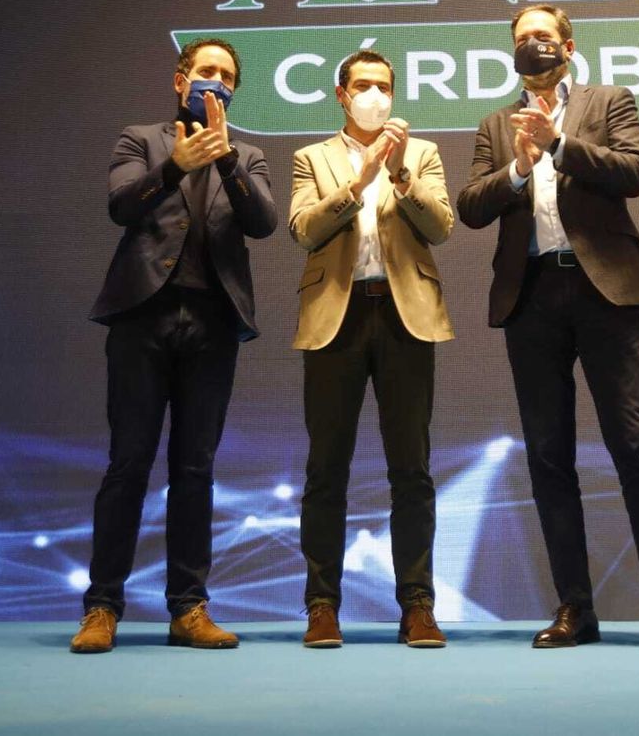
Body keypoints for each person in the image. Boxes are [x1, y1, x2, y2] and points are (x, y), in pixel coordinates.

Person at [456, 5, 639, 654]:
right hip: (531, 295)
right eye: (521, 40)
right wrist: (517, 164)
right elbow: (471, 206)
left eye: (542, 37)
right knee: (547, 457)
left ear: (567, 46)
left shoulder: (608, 101)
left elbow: (635, 171)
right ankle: (574, 609)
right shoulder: (494, 123)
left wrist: (559, 144)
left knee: (635, 446)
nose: (531, 47)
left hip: (606, 290)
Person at [71, 37, 277, 653]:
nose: (216, 81)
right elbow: (120, 205)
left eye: (226, 76)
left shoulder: (249, 154)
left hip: (214, 325)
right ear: (180, 79)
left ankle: (189, 608)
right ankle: (102, 606)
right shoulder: (141, 139)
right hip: (143, 317)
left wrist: (225, 161)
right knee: (128, 464)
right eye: (206, 71)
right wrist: (179, 163)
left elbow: (263, 223)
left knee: (196, 469)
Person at [288, 51, 455, 649]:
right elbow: (305, 230)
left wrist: (401, 172)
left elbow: (440, 227)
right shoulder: (312, 157)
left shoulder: (422, 152)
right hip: (337, 313)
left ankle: (417, 605)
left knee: (411, 469)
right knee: (325, 470)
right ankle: (322, 606)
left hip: (405, 313)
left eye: (383, 86)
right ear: (341, 94)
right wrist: (360, 182)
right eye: (363, 86)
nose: (375, 96)